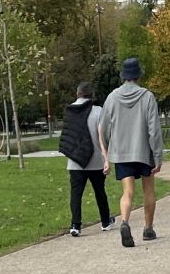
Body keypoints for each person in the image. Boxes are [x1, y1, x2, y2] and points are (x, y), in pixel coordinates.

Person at [98, 56, 162, 247]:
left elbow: (103, 127)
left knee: (128, 192)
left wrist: (107, 150)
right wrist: (157, 155)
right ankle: (148, 228)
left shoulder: (112, 97)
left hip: (122, 152)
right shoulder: (147, 96)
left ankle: (125, 222)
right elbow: (154, 130)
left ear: (123, 76)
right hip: (144, 152)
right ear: (139, 76)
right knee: (148, 189)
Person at [58, 83, 111, 237]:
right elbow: (103, 136)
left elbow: (69, 135)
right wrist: (107, 157)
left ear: (78, 93)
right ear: (92, 95)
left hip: (75, 161)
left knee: (76, 194)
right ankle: (105, 221)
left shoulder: (69, 111)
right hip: (96, 160)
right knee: (100, 191)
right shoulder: (99, 111)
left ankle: (75, 225)